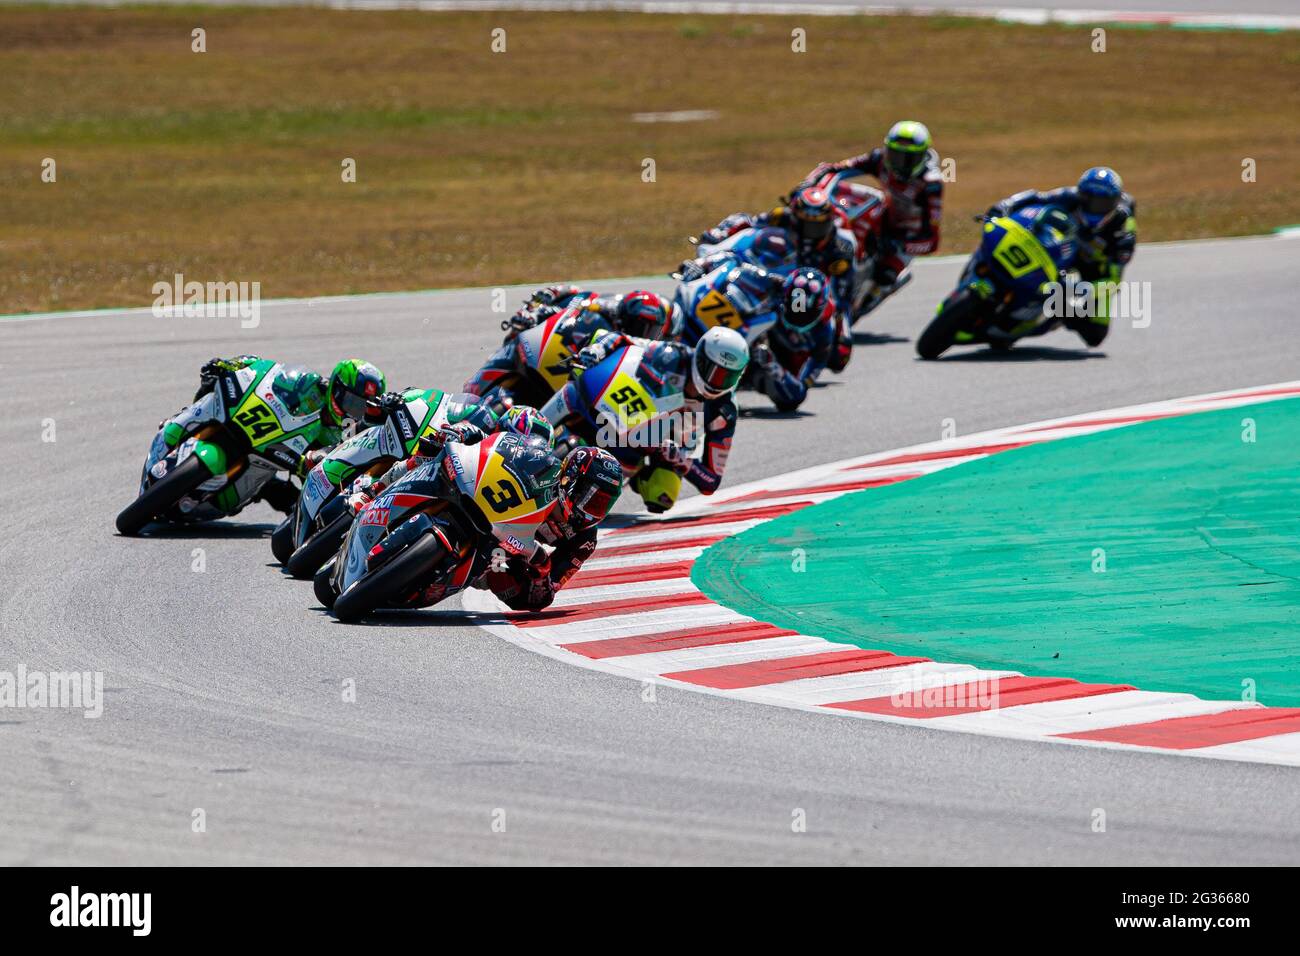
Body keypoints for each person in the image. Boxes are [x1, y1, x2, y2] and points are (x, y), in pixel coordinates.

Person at [166, 356, 386, 512]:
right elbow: (264, 370)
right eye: (350, 401)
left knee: (279, 494)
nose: (351, 410)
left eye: (359, 407)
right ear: (336, 387)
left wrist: (314, 467)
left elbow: (328, 472)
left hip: (269, 460)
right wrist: (230, 365)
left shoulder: (341, 435)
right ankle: (175, 426)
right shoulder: (307, 384)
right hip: (252, 425)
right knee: (212, 388)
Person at [568, 325, 750, 510]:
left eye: (728, 377)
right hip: (624, 412)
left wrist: (680, 458)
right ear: (701, 358)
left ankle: (633, 473)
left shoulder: (725, 411)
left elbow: (711, 481)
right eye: (714, 372)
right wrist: (597, 350)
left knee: (663, 494)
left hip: (660, 446)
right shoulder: (671, 354)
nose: (717, 383)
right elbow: (618, 337)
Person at [986, 166, 1136, 346]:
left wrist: (1082, 289)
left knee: (1095, 335)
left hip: (1095, 272)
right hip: (1061, 251)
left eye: (1102, 204)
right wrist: (1005, 205)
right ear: (1081, 195)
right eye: (1088, 199)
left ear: (1114, 203)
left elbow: (1113, 282)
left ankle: (1052, 317)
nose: (1094, 208)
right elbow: (1036, 197)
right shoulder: (1069, 196)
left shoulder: (1123, 232)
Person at [485, 446, 625, 612]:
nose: (593, 510)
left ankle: (487, 573)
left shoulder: (585, 539)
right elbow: (499, 448)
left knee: (537, 600)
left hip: (513, 548)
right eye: (591, 498)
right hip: (494, 507)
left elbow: (550, 586)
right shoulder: (541, 468)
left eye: (601, 504)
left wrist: (541, 575)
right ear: (571, 478)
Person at [748, 269, 835, 412]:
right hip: (754, 333)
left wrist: (772, 364)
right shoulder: (777, 284)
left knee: (794, 397)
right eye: (794, 309)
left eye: (806, 314)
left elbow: (801, 387)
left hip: (775, 363)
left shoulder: (824, 334)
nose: (799, 316)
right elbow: (741, 267)